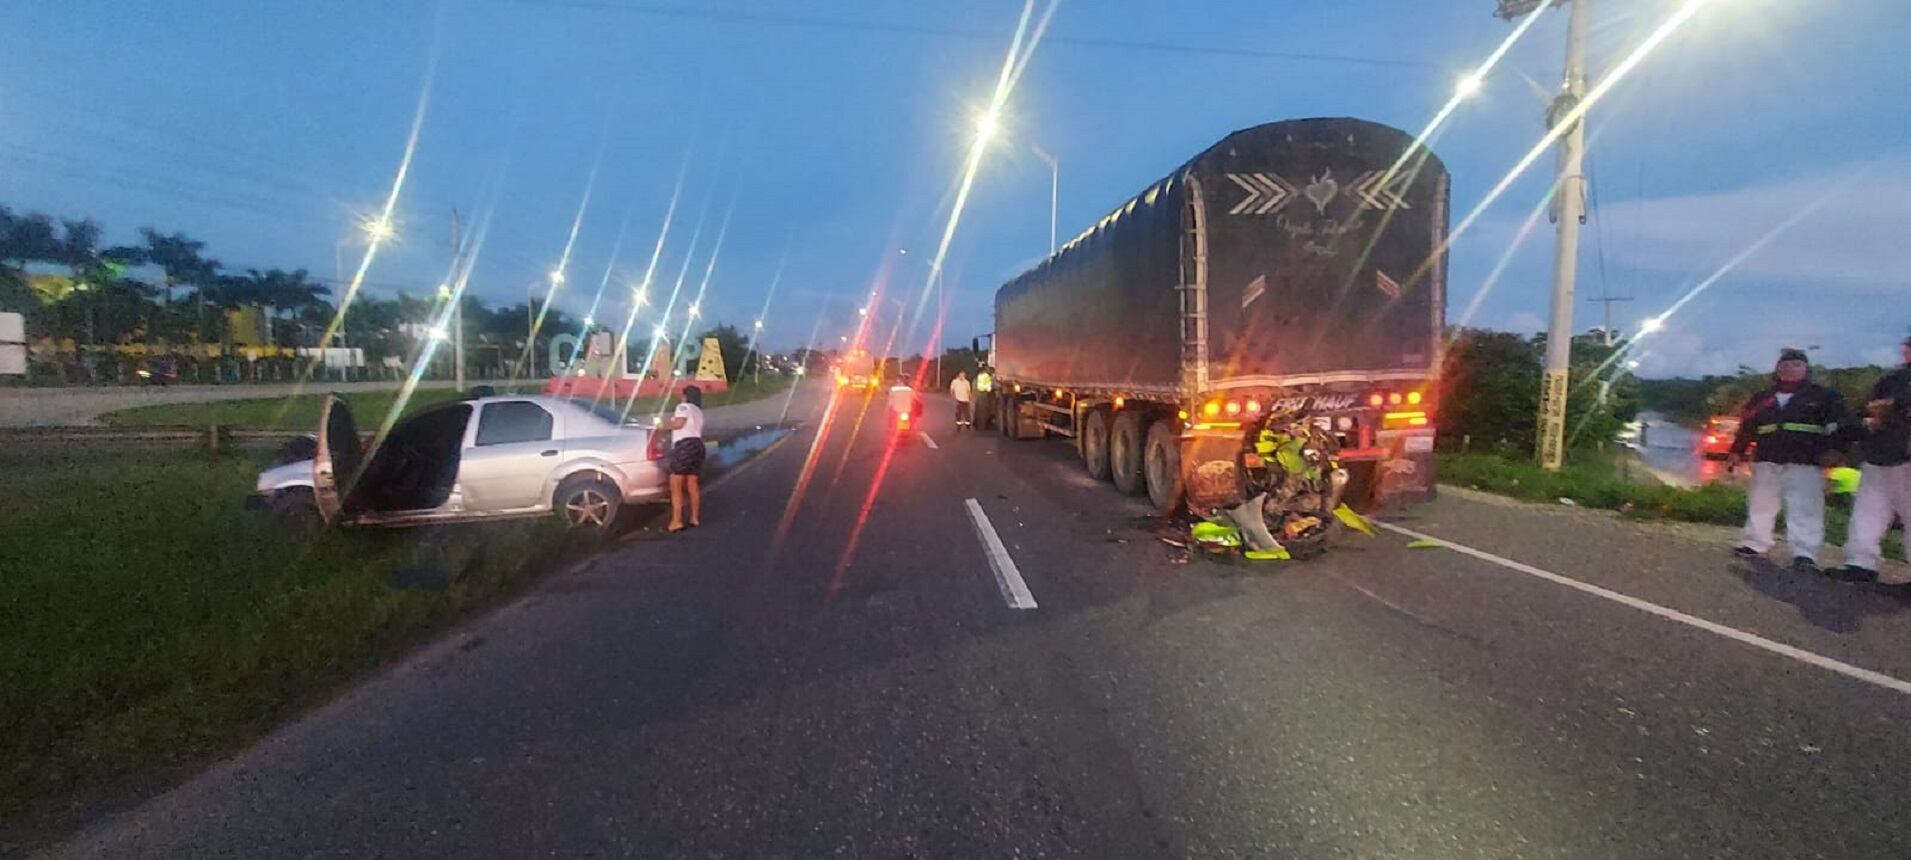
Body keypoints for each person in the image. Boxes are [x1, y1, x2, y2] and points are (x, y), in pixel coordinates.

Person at [1729, 348, 1850, 573]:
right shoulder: (1762, 398)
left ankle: (1805, 554)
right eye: (1784, 364)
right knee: (1760, 503)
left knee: (1805, 508)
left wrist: (1837, 451)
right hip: (1767, 458)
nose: (1789, 369)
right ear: (1777, 369)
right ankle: (1755, 543)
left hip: (1805, 460)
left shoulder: (1823, 396)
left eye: (1796, 365)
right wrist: (1737, 451)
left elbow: (1840, 426)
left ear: (1806, 369)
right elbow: (1746, 428)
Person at [1833, 334, 1911, 582]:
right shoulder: (1891, 380)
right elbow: (1862, 409)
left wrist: (1894, 407)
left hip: (1906, 457)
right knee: (1868, 512)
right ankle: (1860, 564)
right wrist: (1865, 423)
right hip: (1879, 454)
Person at [666, 385, 705, 533]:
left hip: (684, 446)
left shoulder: (683, 407)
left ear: (686, 396)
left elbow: (679, 424)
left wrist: (663, 426)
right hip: (698, 446)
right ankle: (694, 518)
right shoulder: (698, 411)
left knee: (676, 484)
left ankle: (677, 521)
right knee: (692, 483)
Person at [973, 366, 995, 431]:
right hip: (984, 395)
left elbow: (974, 386)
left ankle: (976, 424)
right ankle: (982, 427)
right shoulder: (987, 377)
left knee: (978, 410)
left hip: (979, 395)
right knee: (983, 411)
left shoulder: (980, 376)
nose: (992, 373)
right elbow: (991, 386)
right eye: (992, 372)